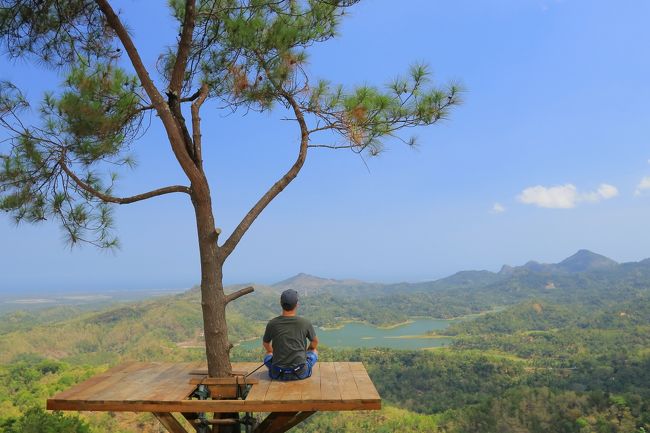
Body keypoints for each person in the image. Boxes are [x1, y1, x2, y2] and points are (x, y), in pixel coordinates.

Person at [262, 289, 319, 380]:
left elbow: (265, 344)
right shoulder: (304, 322)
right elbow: (315, 342)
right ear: (297, 305)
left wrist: (272, 352)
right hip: (300, 373)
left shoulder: (272, 323)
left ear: (281, 304)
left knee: (267, 356)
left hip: (277, 373)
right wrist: (307, 351)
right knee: (314, 351)